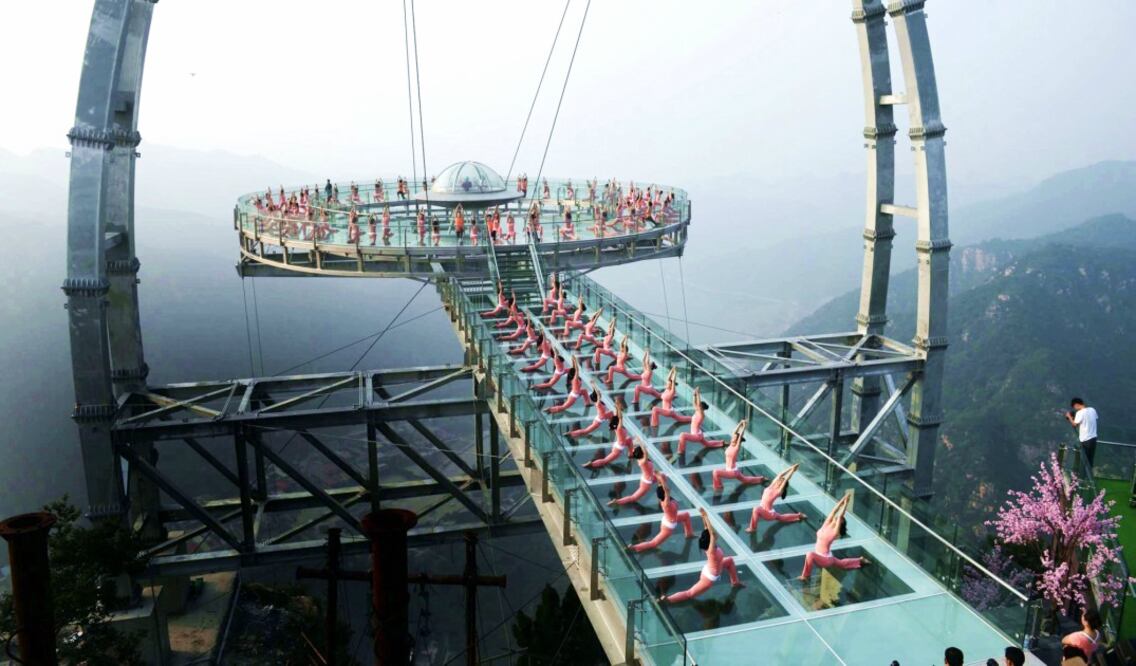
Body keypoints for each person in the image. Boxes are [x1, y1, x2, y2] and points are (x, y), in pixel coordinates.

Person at [659, 508, 742, 603]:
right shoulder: (711, 550)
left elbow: (708, 530)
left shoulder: (711, 546)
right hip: (709, 577)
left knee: (730, 560)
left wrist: (704, 518)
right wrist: (706, 516)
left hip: (713, 567)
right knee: (689, 594)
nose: (716, 535)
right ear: (710, 540)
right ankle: (668, 599)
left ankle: (735, 582)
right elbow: (712, 534)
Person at [799, 491, 869, 580]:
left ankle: (805, 576)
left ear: (839, 523)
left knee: (810, 554)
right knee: (841, 564)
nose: (837, 518)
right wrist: (843, 499)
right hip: (824, 555)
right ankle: (860, 560)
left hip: (825, 559)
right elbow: (834, 510)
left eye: (839, 520)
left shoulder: (834, 532)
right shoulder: (826, 524)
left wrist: (846, 504)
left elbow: (840, 516)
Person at [629, 473, 695, 552]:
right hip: (668, 526)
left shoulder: (665, 499)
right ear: (664, 494)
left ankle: (689, 534)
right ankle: (634, 547)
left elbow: (664, 489)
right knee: (654, 543)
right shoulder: (666, 503)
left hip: (672, 517)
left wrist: (660, 479)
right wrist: (661, 478)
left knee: (686, 515)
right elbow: (667, 489)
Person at [746, 463, 804, 533]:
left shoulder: (778, 491)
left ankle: (753, 528)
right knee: (781, 517)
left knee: (756, 509)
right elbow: (780, 474)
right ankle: (799, 515)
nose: (779, 481)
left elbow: (786, 480)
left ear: (781, 485)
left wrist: (792, 471)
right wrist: (791, 467)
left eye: (781, 482)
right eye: (779, 480)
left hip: (768, 513)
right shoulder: (771, 486)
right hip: (767, 511)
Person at [711, 420, 768, 491]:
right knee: (746, 480)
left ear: (738, 440)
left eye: (734, 438)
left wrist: (743, 427)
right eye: (732, 437)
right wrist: (740, 423)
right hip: (733, 470)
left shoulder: (736, 447)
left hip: (732, 472)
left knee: (715, 472)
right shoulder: (731, 445)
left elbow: (740, 436)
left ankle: (718, 487)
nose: (732, 439)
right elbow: (735, 432)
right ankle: (761, 479)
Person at [675, 388, 725, 456]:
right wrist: (694, 395)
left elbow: (698, 404)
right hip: (698, 433)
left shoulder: (701, 415)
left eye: (699, 406)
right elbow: (695, 403)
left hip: (696, 436)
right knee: (708, 444)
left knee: (682, 435)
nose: (697, 406)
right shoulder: (697, 411)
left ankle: (680, 451)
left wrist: (698, 393)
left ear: (701, 408)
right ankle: (722, 443)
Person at [583, 405, 632, 470]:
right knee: (605, 461)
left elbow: (618, 418)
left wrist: (617, 409)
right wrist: (618, 409)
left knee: (629, 440)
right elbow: (620, 418)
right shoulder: (619, 428)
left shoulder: (618, 427)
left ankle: (630, 453)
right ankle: (592, 464)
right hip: (618, 447)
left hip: (619, 445)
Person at [1065, 397, 1099, 467]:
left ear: (1076, 404)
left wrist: (1070, 417)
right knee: (1090, 459)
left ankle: (1083, 476)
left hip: (1085, 440)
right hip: (1093, 438)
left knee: (1084, 460)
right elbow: (1093, 419)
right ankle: (1089, 476)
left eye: (1074, 407)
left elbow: (1075, 424)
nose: (1075, 409)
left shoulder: (1080, 413)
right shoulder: (1092, 409)